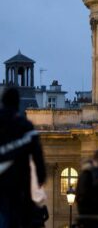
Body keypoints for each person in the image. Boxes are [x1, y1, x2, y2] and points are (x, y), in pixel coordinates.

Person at [0, 88, 47, 227]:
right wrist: (41, 177)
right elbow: (37, 154)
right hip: (19, 179)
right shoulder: (25, 126)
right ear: (17, 103)